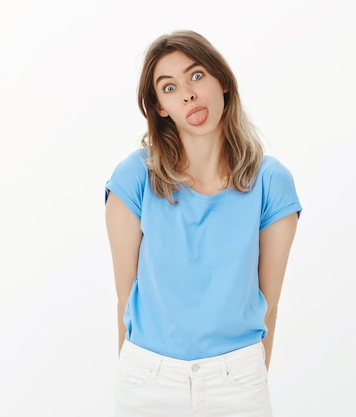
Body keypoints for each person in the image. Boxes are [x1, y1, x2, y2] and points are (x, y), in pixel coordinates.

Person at [104, 30, 301, 417]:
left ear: (222, 81)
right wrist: (134, 373)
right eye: (169, 87)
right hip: (148, 379)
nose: (188, 94)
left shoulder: (271, 183)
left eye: (196, 76)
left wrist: (248, 379)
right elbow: (126, 300)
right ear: (160, 107)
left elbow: (269, 305)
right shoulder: (133, 179)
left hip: (237, 381)